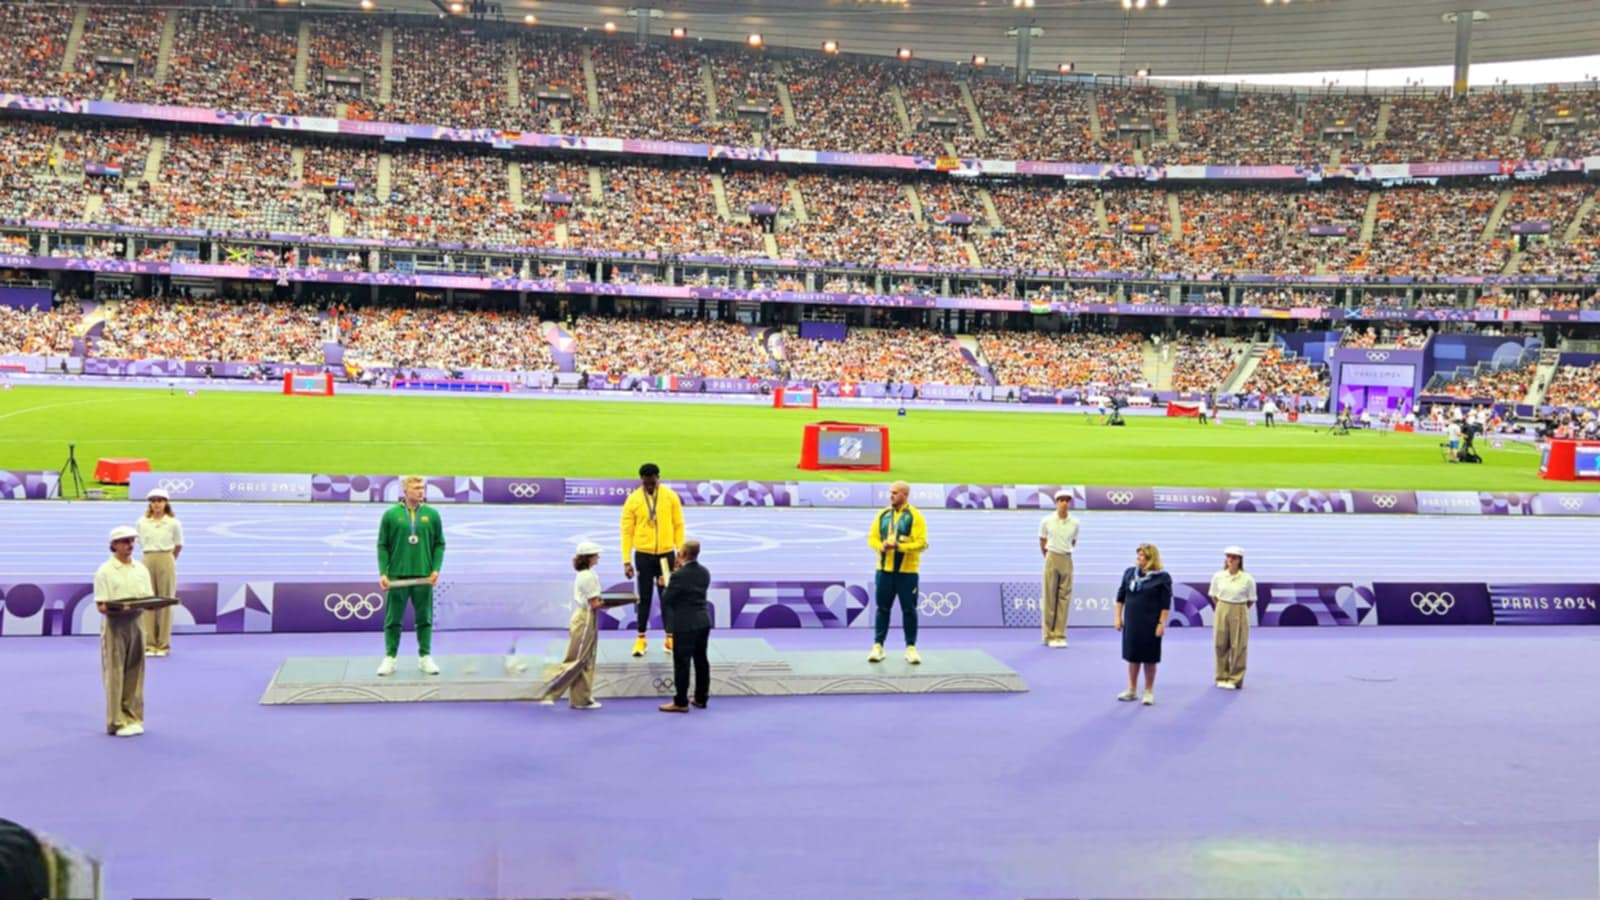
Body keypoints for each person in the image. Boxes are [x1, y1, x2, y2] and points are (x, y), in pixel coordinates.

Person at [376, 476, 445, 676]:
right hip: (397, 577)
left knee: (424, 619)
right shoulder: (390, 515)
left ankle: (425, 657)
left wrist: (436, 569)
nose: (421, 491)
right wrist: (383, 572)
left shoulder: (432, 515)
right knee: (393, 620)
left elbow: (440, 544)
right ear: (405, 491)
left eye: (422, 488)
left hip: (424, 576)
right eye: (416, 488)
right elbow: (382, 545)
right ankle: (390, 658)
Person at [621, 462, 685, 658]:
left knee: (668, 597)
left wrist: (680, 554)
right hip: (643, 556)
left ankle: (670, 638)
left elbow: (678, 525)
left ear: (659, 478)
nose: (649, 486)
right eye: (646, 482)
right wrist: (626, 560)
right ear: (641, 480)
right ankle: (641, 638)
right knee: (645, 598)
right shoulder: (633, 500)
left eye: (652, 482)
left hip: (666, 556)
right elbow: (626, 531)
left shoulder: (670, 496)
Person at [95, 525, 154, 736]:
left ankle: (133, 717)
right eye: (125, 541)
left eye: (132, 541)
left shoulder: (141, 569)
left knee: (136, 672)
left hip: (137, 622)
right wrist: (116, 607)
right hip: (116, 625)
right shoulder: (104, 571)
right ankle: (116, 721)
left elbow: (147, 598)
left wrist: (154, 604)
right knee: (115, 673)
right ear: (114, 545)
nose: (130, 545)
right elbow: (101, 606)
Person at [539, 541, 606, 710]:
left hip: (588, 617)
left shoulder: (586, 574)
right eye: (596, 554)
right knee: (577, 660)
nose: (598, 557)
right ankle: (545, 691)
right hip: (586, 618)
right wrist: (621, 602)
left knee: (586, 659)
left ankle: (580, 699)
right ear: (589, 558)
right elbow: (595, 603)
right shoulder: (588, 576)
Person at [867, 480, 929, 664]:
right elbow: (872, 538)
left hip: (907, 573)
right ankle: (878, 646)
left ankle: (911, 648)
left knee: (909, 610)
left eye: (895, 492)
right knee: (882, 609)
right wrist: (881, 546)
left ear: (905, 495)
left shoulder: (915, 516)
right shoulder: (883, 514)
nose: (891, 495)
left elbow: (922, 543)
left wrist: (899, 546)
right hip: (884, 571)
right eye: (890, 492)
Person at [1115, 542, 1171, 707]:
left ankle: (1148, 691)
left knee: (1149, 658)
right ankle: (1132, 689)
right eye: (1138, 555)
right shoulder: (1129, 573)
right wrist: (1118, 618)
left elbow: (1165, 604)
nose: (1138, 558)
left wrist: (1161, 623)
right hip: (1132, 622)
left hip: (1151, 623)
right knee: (1133, 657)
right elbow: (1120, 597)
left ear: (1150, 558)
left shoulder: (1162, 577)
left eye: (1142, 556)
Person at [659, 539, 712, 713]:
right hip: (703, 622)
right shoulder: (705, 572)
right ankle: (701, 698)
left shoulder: (679, 576)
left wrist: (666, 584)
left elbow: (667, 599)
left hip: (684, 625)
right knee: (701, 660)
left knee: (682, 663)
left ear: (682, 554)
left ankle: (681, 702)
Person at [136, 487, 183, 658]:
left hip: (166, 558)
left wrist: (168, 560)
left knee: (164, 601)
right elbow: (140, 541)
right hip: (147, 558)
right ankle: (149, 644)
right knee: (148, 600)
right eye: (154, 501)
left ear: (166, 503)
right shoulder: (142, 522)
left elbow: (178, 545)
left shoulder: (173, 523)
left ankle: (163, 644)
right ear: (150, 503)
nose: (156, 504)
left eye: (160, 501)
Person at [1209, 545, 1257, 690]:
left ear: (1239, 560)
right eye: (1228, 557)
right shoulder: (1218, 576)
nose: (1230, 559)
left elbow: (1251, 599)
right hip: (1222, 607)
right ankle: (1221, 676)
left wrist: (1239, 610)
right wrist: (1222, 607)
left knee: (1239, 645)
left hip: (1240, 608)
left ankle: (1235, 678)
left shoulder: (1247, 578)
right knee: (1220, 643)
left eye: (1234, 557)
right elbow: (1214, 595)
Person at [1037, 489, 1079, 648]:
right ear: (1056, 502)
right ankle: (1048, 635)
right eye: (1061, 500)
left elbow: (1073, 541)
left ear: (1069, 503)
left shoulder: (1075, 523)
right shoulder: (1047, 521)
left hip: (1067, 558)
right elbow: (1042, 540)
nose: (1064, 503)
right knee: (1050, 597)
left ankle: (1059, 634)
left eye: (1067, 500)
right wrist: (1049, 556)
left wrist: (1065, 553)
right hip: (1052, 556)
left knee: (1064, 598)